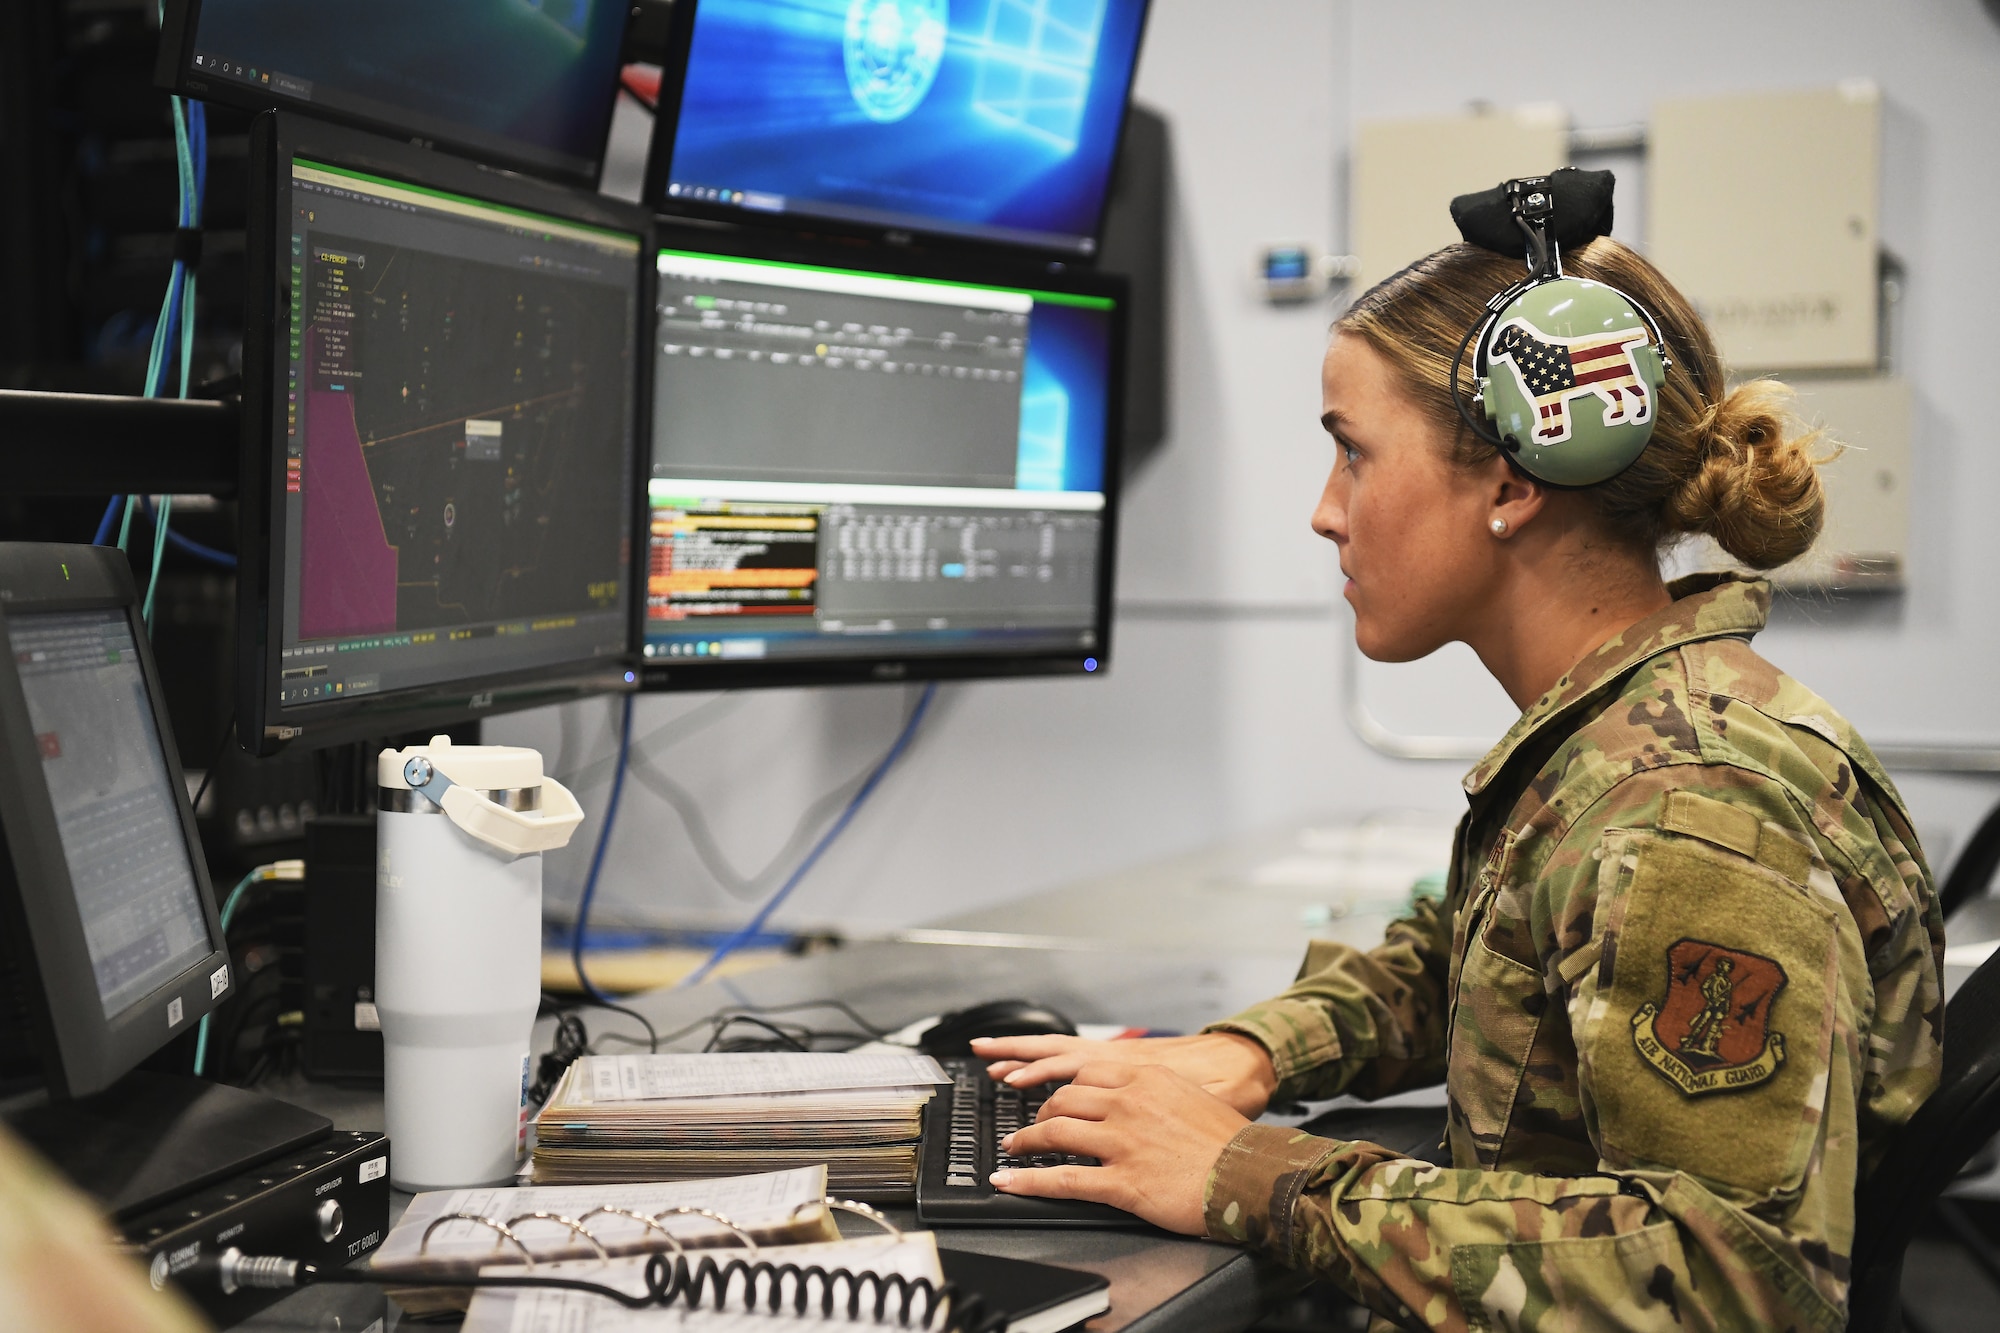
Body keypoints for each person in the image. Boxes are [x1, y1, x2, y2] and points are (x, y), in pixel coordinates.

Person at [974, 227, 1944, 1331]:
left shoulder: (1688, 804)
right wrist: (1251, 1054)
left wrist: (1249, 1174)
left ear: (1508, 477)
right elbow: (1486, 964)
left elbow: (1729, 1283)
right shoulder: (1618, 739)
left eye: (1352, 451)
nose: (1324, 509)